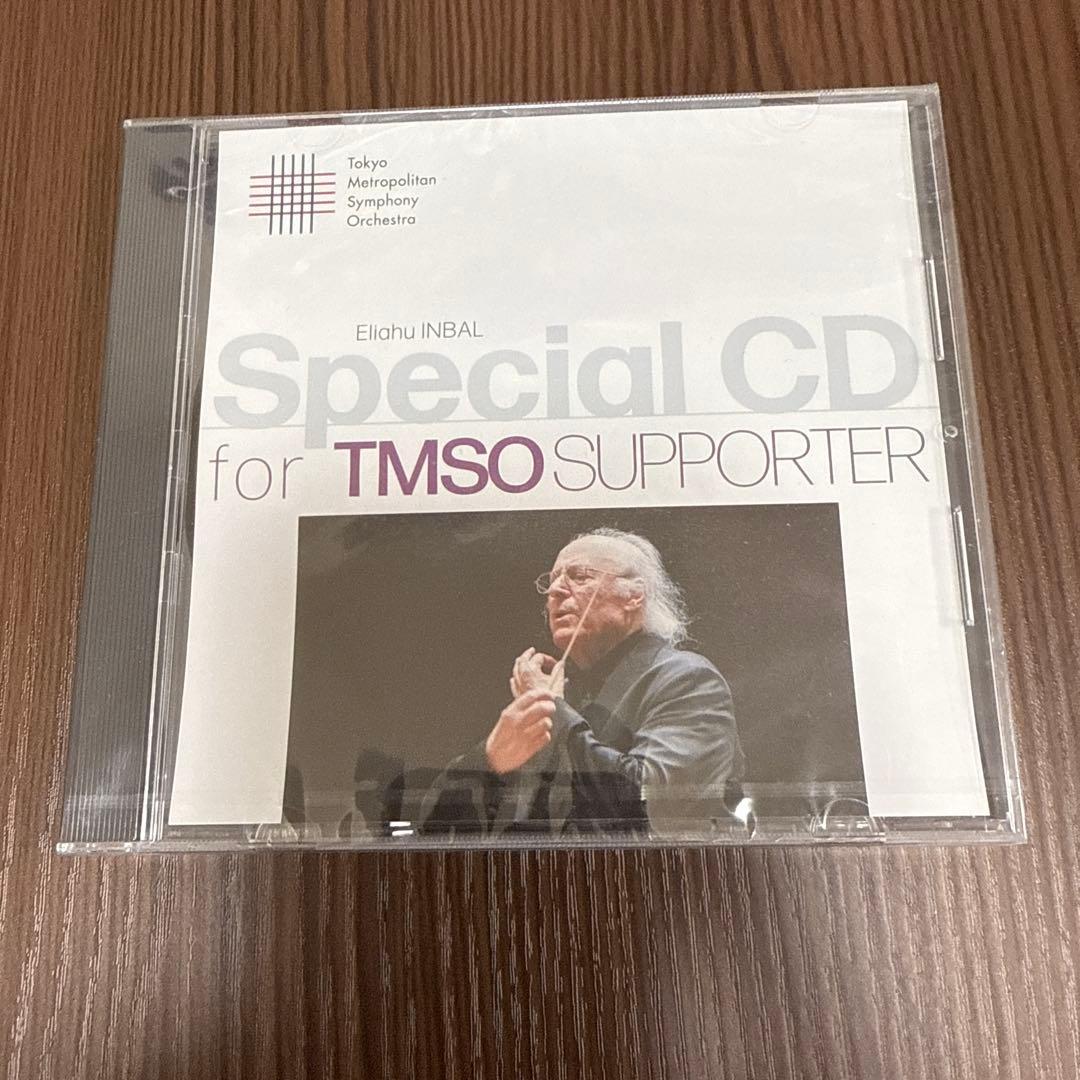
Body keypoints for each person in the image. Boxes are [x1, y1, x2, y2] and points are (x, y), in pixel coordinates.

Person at [421, 528, 744, 836]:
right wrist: (491, 758)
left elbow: (656, 805)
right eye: (552, 580)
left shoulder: (686, 678)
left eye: (579, 576)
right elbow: (432, 827)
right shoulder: (564, 695)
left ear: (634, 595)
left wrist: (556, 712)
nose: (555, 590)